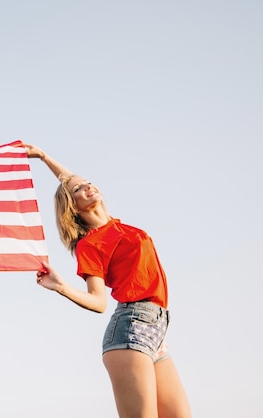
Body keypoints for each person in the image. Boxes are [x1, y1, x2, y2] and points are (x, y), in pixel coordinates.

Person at [25, 144, 191, 418]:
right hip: (131, 330)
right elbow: (99, 302)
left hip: (157, 329)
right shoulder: (90, 245)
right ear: (73, 206)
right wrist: (62, 287)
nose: (88, 187)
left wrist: (43, 156)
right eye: (81, 189)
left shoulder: (116, 226)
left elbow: (69, 181)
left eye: (89, 182)